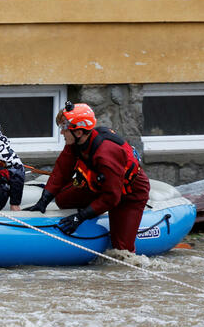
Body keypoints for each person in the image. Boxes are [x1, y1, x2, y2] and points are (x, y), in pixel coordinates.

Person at [26, 101, 151, 252]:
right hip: (100, 185)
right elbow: (61, 170)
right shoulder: (76, 143)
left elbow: (112, 197)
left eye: (64, 128)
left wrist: (81, 217)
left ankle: (107, 221)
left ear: (78, 132)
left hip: (129, 194)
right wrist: (44, 200)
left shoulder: (105, 155)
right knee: (62, 199)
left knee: (121, 249)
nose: (61, 133)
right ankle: (95, 213)